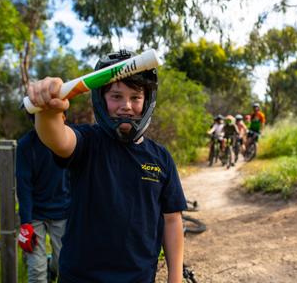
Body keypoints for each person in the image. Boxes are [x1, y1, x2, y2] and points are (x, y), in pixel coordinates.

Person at [26, 50, 187, 283]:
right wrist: (49, 110)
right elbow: (58, 139)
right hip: (81, 277)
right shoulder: (87, 142)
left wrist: (175, 276)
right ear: (101, 98)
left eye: (135, 97)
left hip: (139, 277)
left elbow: (172, 220)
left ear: (148, 100)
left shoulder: (160, 158)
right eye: (116, 96)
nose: (126, 106)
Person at [16, 114, 71, 283]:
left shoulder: (70, 141)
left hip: (62, 211)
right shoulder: (26, 145)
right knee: (37, 269)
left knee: (62, 263)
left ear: (63, 117)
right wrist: (25, 222)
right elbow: (23, 185)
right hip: (35, 214)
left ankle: (52, 270)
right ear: (34, 121)